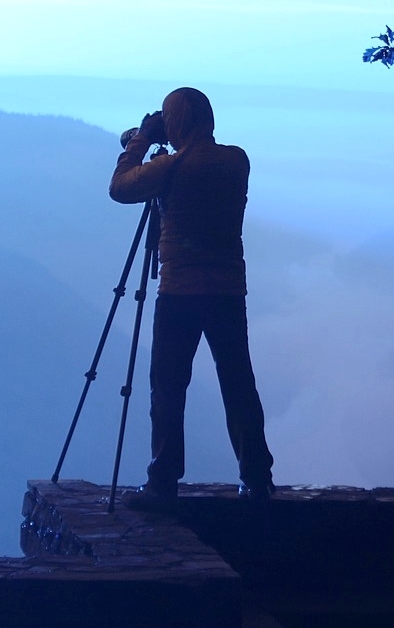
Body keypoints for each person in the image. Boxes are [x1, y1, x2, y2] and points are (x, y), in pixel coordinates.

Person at [109, 87, 275, 511]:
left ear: (176, 121)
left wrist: (140, 140)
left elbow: (120, 188)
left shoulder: (171, 165)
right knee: (238, 383)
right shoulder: (237, 160)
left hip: (179, 291)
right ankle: (257, 479)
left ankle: (162, 483)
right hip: (227, 291)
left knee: (168, 388)